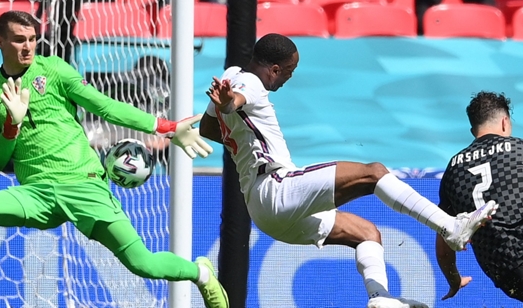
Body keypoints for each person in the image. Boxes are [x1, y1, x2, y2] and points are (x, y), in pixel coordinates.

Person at [0, 11, 229, 308]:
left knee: (142, 264)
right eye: (18, 40)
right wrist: (11, 126)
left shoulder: (55, 70)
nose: (27, 47)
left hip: (85, 188)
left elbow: (105, 106)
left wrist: (165, 126)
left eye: (32, 39)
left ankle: (201, 273)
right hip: (36, 195)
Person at [199, 33, 498, 308]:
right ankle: (451, 228)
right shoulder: (249, 83)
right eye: (289, 71)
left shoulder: (230, 75)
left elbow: (207, 127)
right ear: (275, 69)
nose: (289, 78)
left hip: (264, 212)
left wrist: (232, 121)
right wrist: (230, 104)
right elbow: (236, 99)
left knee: (366, 233)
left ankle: (380, 299)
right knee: (374, 173)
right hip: (277, 187)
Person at [436, 91, 523, 302]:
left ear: (473, 130)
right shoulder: (519, 150)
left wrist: (453, 279)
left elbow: (443, 236)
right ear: (505, 122)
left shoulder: (454, 169)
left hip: (505, 274)